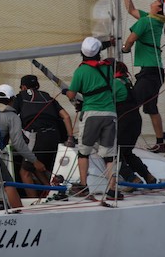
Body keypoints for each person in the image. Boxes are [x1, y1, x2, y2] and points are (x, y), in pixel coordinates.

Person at [121, 0, 165, 153]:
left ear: (159, 9)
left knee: (131, 105)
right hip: (156, 72)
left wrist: (124, 49)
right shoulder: (153, 20)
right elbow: (131, 9)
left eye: (159, 2)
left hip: (150, 72)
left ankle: (127, 140)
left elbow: (131, 39)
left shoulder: (146, 22)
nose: (156, 0)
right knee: (151, 108)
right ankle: (160, 143)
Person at [66, 37, 121, 200]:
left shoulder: (81, 71)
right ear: (98, 52)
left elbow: (71, 95)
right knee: (109, 155)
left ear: (82, 53)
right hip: (110, 114)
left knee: (84, 152)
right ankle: (112, 189)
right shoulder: (108, 68)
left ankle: (84, 186)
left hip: (91, 114)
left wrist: (68, 93)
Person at [13, 74, 74, 196]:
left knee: (24, 172)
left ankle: (33, 202)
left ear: (23, 87)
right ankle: (51, 192)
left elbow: (11, 116)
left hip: (37, 137)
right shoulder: (48, 97)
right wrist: (70, 137)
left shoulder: (20, 97)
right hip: (55, 136)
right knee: (36, 165)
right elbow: (66, 116)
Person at [113, 61, 156, 186]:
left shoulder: (115, 83)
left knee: (112, 153)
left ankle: (131, 179)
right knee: (126, 152)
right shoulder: (127, 82)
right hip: (135, 121)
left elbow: (104, 100)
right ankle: (148, 176)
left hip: (124, 122)